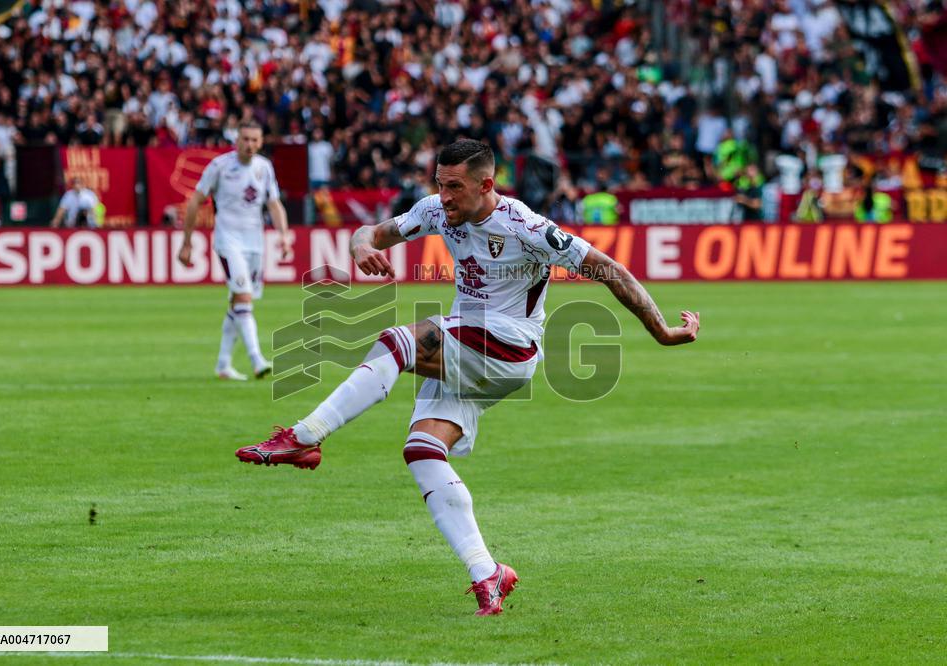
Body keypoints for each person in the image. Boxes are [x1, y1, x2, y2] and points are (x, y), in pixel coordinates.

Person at [235, 140, 700, 615]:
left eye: (454, 186)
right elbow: (373, 233)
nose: (445, 196)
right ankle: (487, 574)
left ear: (486, 185)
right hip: (470, 343)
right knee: (422, 451)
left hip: (509, 342)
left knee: (398, 340)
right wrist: (358, 245)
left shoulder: (526, 226)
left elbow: (608, 268)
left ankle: (304, 435)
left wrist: (660, 329)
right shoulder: (436, 211)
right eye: (440, 183)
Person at [177, 120, 293, 381]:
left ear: (261, 142)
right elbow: (196, 200)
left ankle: (223, 364)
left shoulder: (265, 167)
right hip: (228, 240)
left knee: (237, 301)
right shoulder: (220, 166)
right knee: (243, 298)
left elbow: (274, 204)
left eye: (255, 140)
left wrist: (284, 235)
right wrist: (186, 242)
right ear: (236, 141)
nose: (250, 144)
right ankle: (256, 359)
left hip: (255, 243)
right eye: (245, 139)